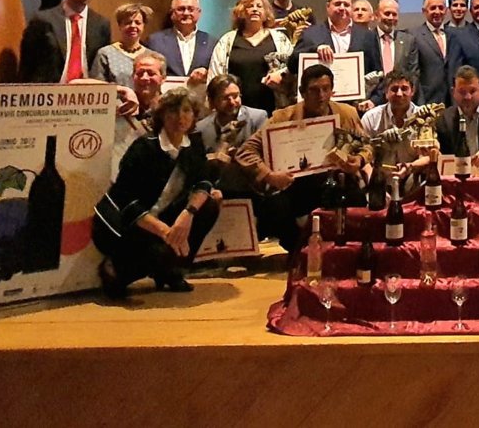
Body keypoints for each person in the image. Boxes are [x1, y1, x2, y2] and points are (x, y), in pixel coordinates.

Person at [93, 88, 222, 298]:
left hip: (163, 215)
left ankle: (172, 271)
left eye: (186, 111)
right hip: (125, 223)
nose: (180, 117)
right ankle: (114, 270)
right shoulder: (144, 147)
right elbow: (125, 201)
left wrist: (187, 215)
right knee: (156, 254)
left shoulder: (194, 143)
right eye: (173, 111)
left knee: (210, 203)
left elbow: (203, 182)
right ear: (161, 115)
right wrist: (167, 233)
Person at [235, 64, 370, 250]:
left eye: (326, 89)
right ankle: (297, 252)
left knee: (357, 201)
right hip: (295, 184)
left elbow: (367, 144)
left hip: (337, 180)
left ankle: (344, 251)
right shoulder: (282, 118)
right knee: (275, 207)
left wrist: (360, 159)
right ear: (302, 92)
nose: (321, 96)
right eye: (314, 90)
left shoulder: (347, 113)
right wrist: (269, 175)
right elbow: (245, 151)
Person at [20, 0, 112, 83]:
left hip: (87, 90)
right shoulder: (42, 20)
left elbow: (102, 66)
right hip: (50, 90)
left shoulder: (101, 24)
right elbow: (28, 63)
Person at [292, 0, 382, 109]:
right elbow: (292, 65)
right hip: (319, 108)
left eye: (346, 5)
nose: (342, 8)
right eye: (338, 4)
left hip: (356, 109)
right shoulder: (311, 33)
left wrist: (373, 101)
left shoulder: (367, 36)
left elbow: (378, 74)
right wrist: (315, 49)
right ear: (328, 6)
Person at [209, 0, 292, 115]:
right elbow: (215, 76)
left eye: (259, 6)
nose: (255, 9)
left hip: (273, 109)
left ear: (266, 12)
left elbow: (292, 68)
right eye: (250, 6)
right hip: (234, 110)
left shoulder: (280, 39)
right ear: (241, 11)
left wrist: (282, 75)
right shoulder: (227, 41)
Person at [196, 74, 268, 196]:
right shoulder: (200, 128)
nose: (232, 102)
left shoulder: (258, 118)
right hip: (216, 193)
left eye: (235, 96)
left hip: (251, 191)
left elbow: (265, 157)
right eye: (225, 98)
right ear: (211, 102)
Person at [144, 0, 213, 81]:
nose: (186, 13)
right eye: (181, 9)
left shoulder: (212, 42)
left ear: (199, 12)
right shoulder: (155, 41)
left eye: (191, 9)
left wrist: (207, 72)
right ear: (172, 13)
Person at [90, 3, 155, 90]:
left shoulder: (152, 56)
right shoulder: (105, 54)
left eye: (138, 23)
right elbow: (97, 87)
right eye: (128, 22)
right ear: (120, 25)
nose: (133, 26)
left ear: (143, 26)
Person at [411, 0, 451, 105]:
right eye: (433, 8)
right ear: (424, 11)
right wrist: (420, 102)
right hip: (428, 100)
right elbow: (414, 73)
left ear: (446, 10)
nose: (437, 12)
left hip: (453, 101)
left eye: (441, 8)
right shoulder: (414, 36)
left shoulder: (455, 34)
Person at [372, 0, 420, 79]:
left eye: (394, 14)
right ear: (376, 15)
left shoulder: (408, 41)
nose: (391, 18)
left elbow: (413, 73)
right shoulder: (367, 38)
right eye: (387, 13)